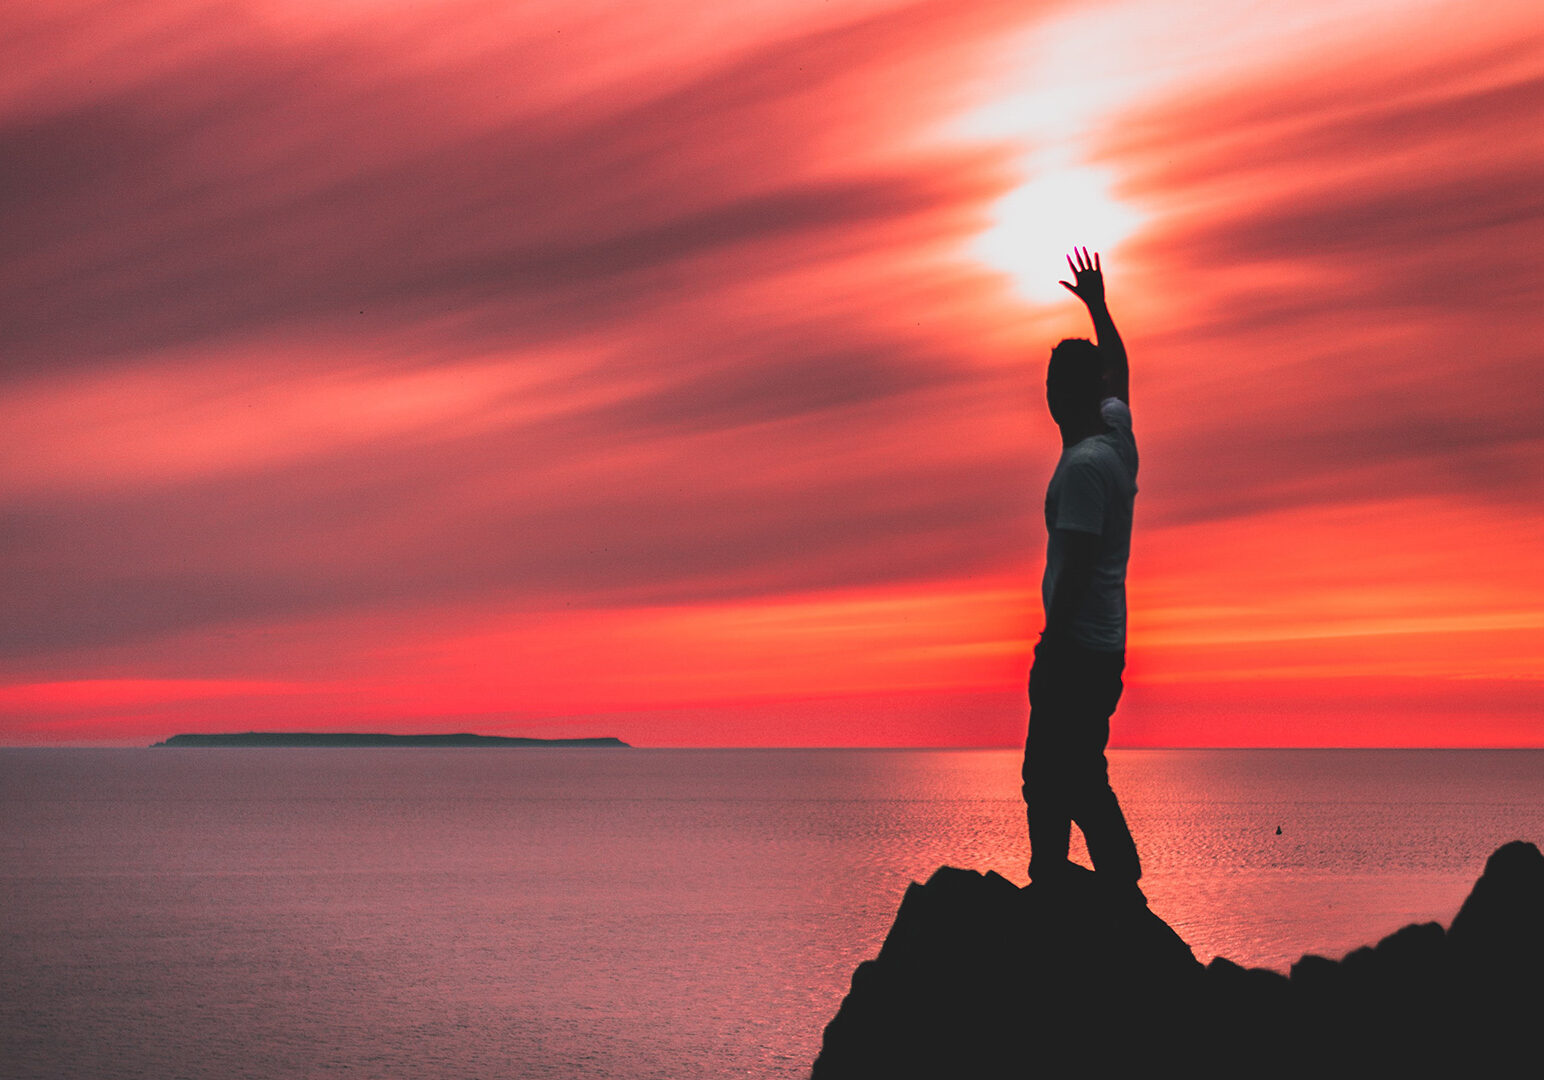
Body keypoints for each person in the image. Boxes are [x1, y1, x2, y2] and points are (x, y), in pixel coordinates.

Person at [1021, 247, 1142, 895]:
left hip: (1077, 647)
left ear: (1065, 394)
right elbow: (1120, 374)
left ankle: (1072, 881)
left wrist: (1048, 644)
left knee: (1051, 774)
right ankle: (1098, 882)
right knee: (1077, 768)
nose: (1046, 397)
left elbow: (1071, 568)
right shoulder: (1116, 435)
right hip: (1106, 645)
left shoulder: (1083, 469)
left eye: (1051, 387)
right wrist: (1098, 307)